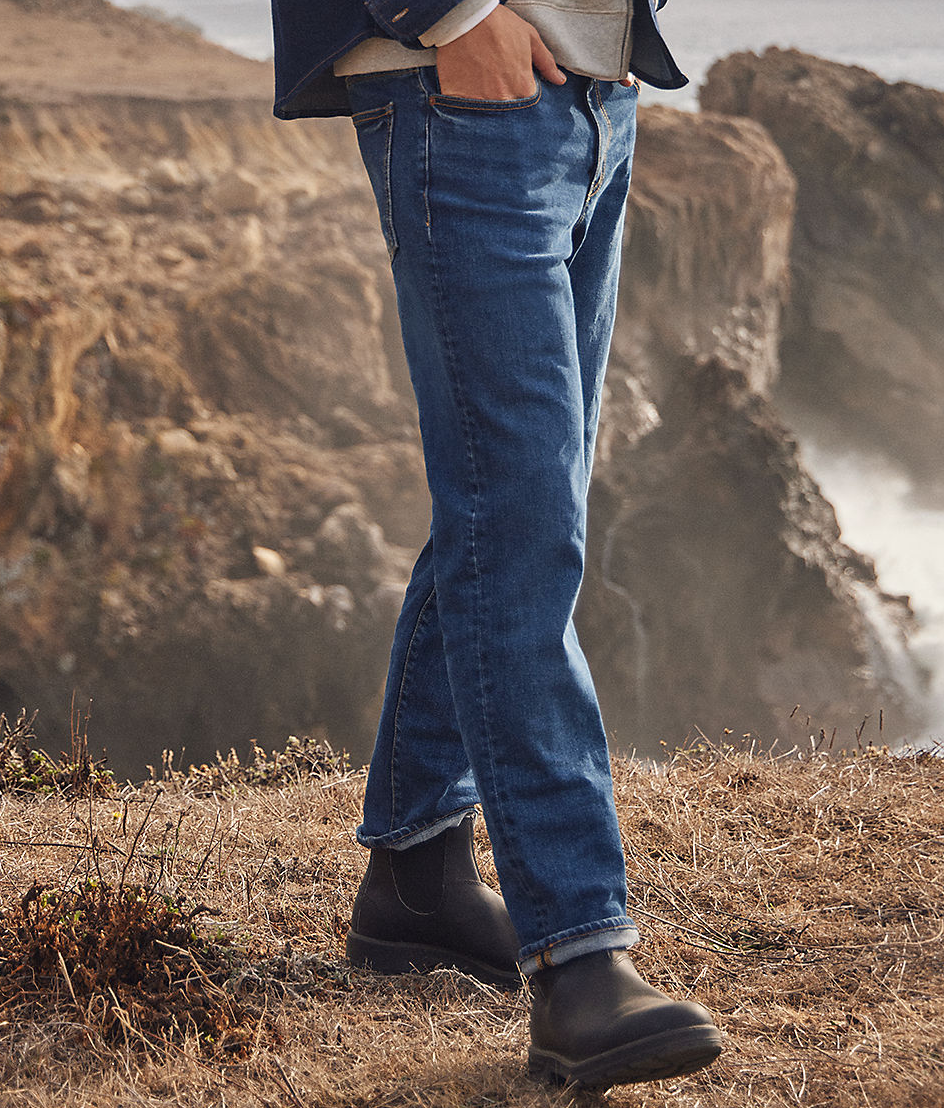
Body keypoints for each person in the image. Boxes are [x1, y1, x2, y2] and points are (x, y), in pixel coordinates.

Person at [270, 0, 722, 1089]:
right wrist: (455, 15)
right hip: (463, 91)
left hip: (592, 92)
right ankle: (578, 959)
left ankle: (415, 881)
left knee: (512, 504)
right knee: (519, 524)